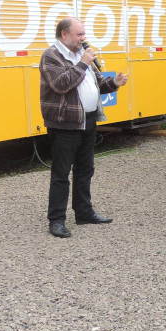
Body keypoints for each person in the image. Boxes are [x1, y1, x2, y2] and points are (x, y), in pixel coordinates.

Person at [40, 17, 128, 238]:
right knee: (61, 173)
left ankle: (84, 212)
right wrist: (83, 63)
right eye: (79, 34)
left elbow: (97, 83)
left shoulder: (81, 55)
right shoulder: (51, 56)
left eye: (83, 34)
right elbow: (61, 85)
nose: (83, 39)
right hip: (65, 124)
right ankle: (57, 220)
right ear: (64, 35)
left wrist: (114, 84)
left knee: (85, 169)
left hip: (88, 120)